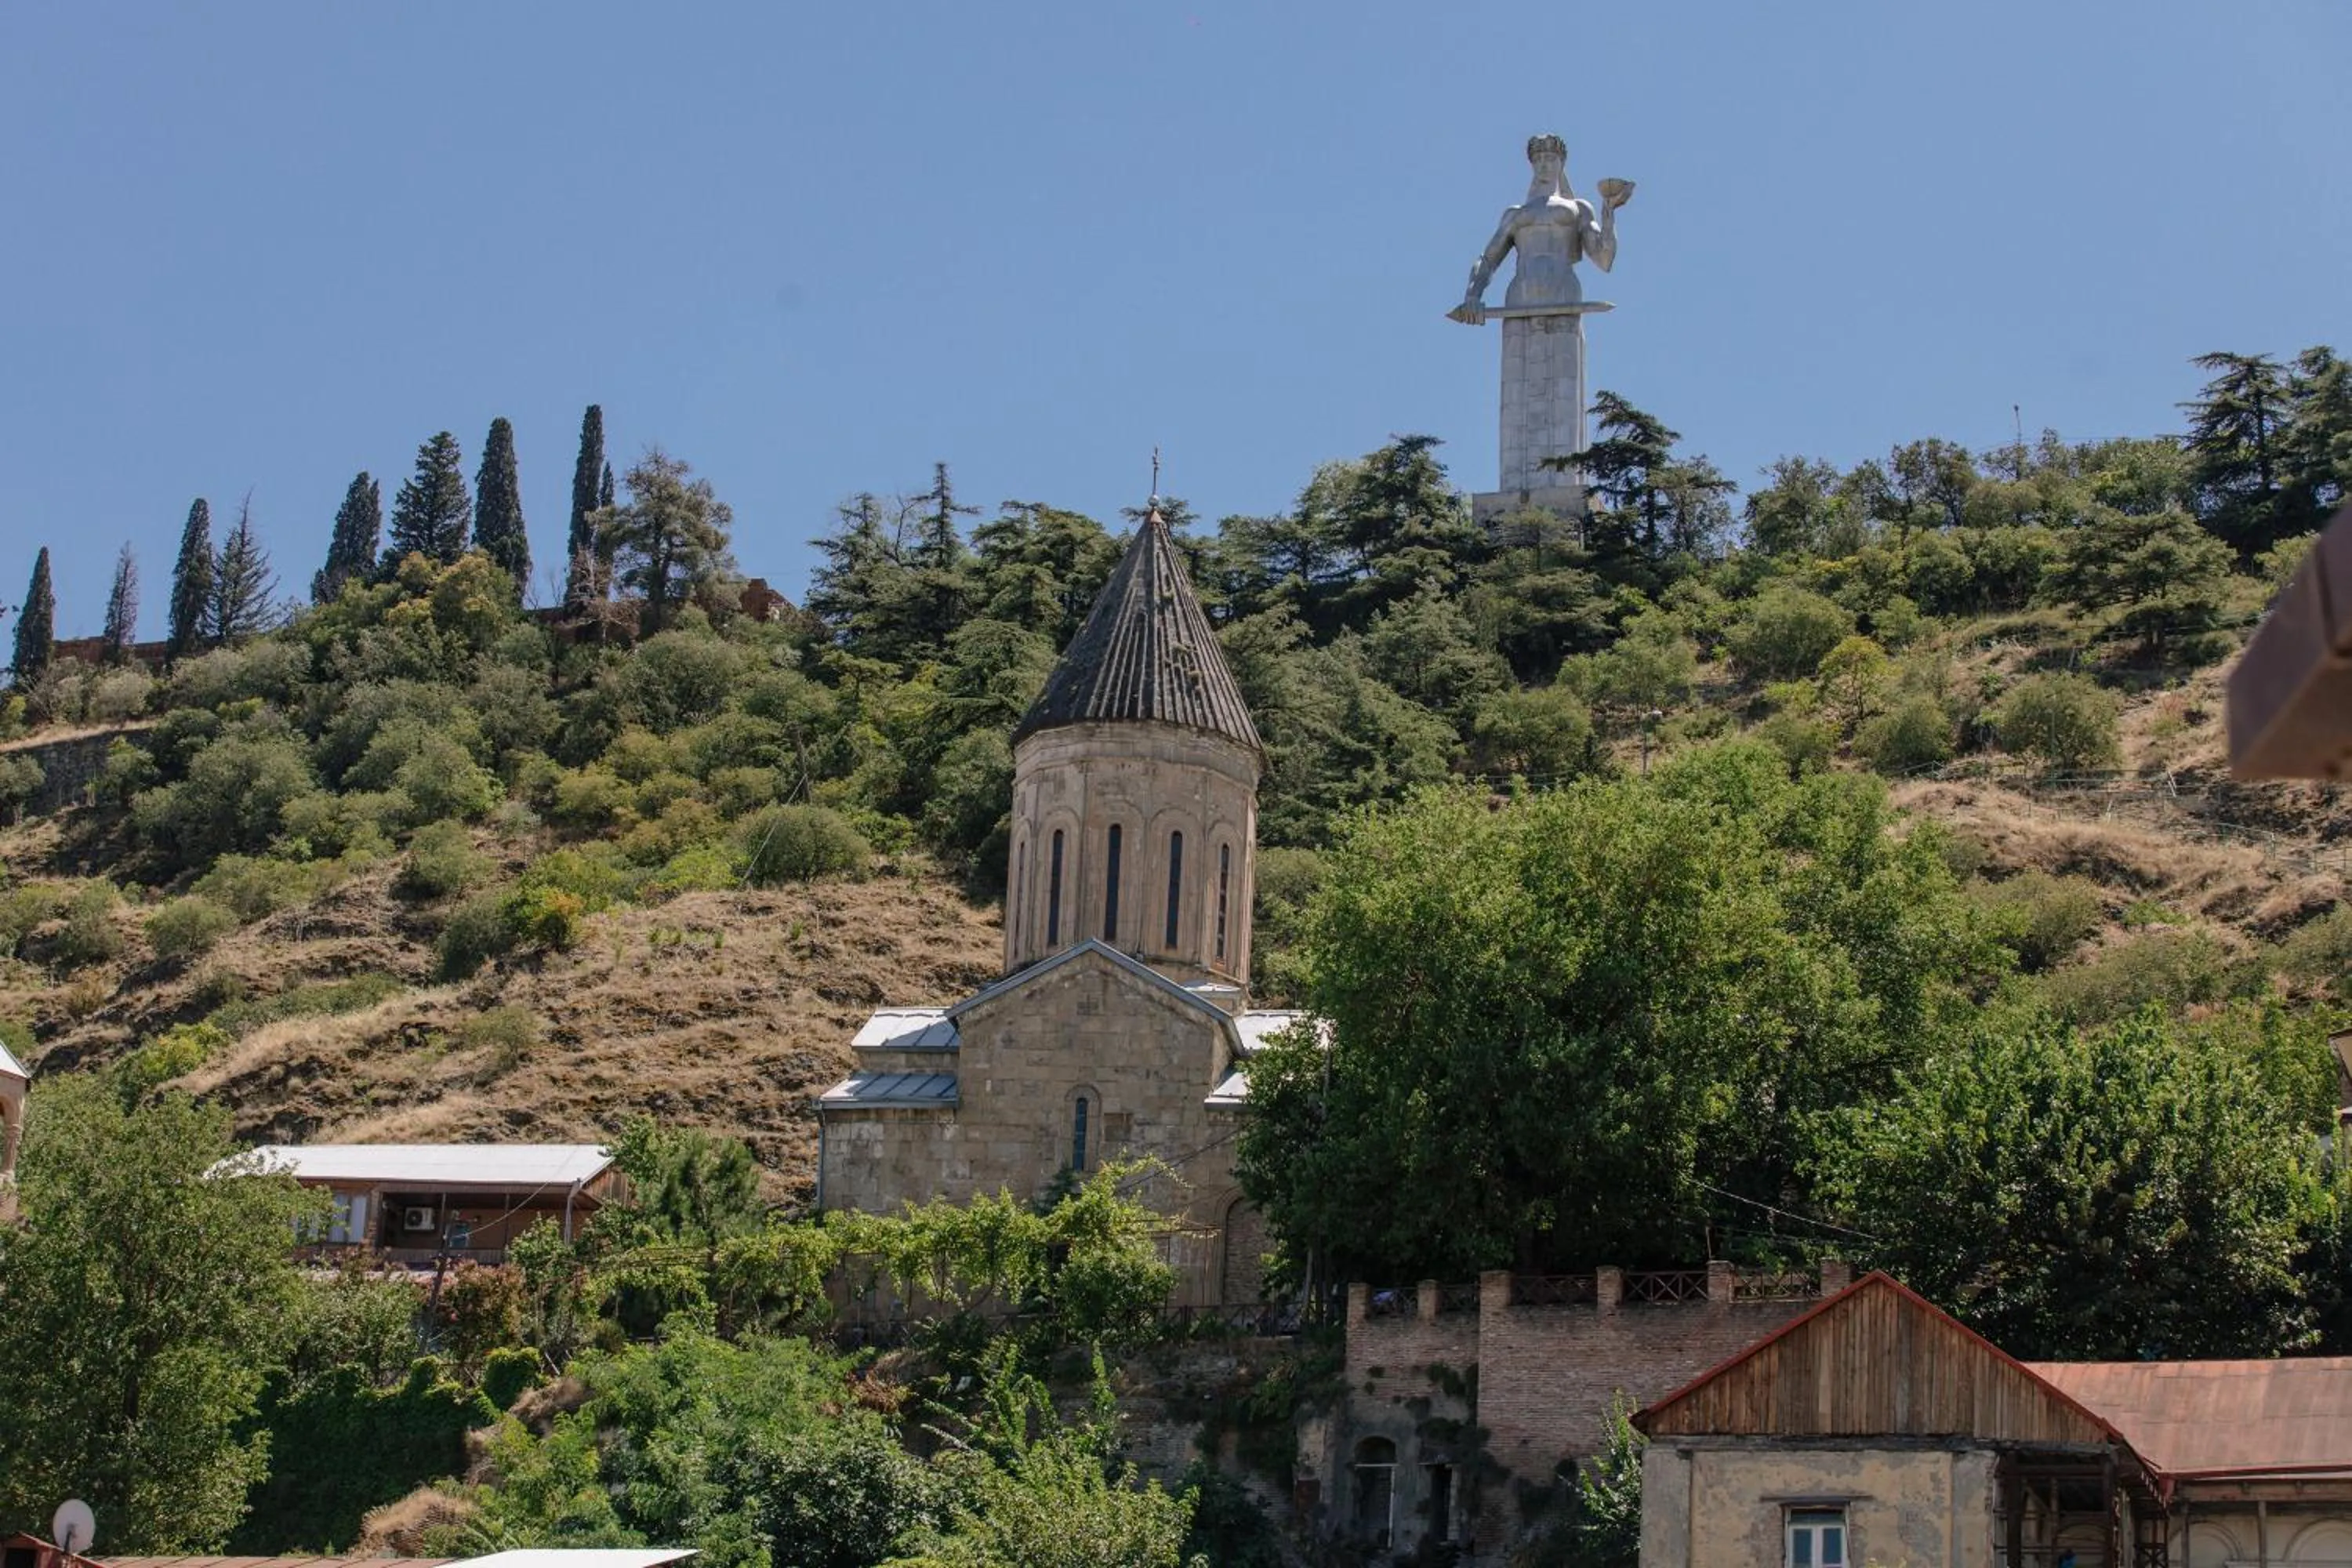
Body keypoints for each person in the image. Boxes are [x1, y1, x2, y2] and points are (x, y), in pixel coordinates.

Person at [1448, 134, 1628, 324]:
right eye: (1538, 159)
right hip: (1520, 298)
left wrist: (1608, 213)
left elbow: (1604, 259)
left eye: (1550, 158)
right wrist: (1472, 297)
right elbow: (1487, 260)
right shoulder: (1515, 214)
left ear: (1561, 163)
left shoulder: (1578, 209)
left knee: (1563, 354)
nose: (1543, 164)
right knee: (1517, 353)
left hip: (1564, 294)